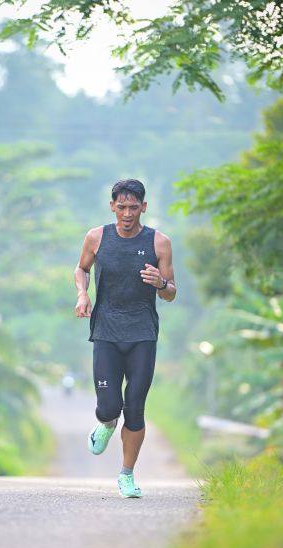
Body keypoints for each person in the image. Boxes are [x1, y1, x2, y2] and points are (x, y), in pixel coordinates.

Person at [74, 179, 176, 498]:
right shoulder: (96, 237)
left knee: (135, 408)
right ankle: (106, 423)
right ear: (112, 207)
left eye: (134, 207)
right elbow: (81, 269)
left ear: (144, 207)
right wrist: (82, 294)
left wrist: (161, 283)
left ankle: (127, 475)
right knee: (109, 406)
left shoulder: (159, 242)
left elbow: (171, 292)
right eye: (122, 207)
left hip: (142, 334)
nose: (128, 213)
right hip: (106, 332)